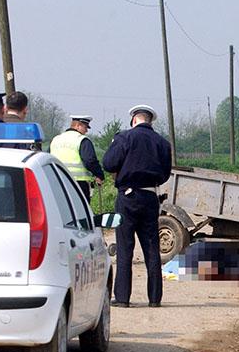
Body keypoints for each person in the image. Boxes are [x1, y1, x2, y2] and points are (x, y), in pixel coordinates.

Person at [103, 104, 172, 308]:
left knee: (125, 248)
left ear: (134, 119)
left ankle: (123, 298)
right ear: (150, 120)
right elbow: (166, 173)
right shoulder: (162, 142)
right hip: (150, 196)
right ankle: (154, 298)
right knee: (152, 248)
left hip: (127, 197)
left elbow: (109, 163)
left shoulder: (124, 137)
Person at [50, 115, 104, 203]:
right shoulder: (82, 140)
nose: (86, 130)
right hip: (78, 183)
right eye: (85, 127)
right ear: (78, 125)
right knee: (81, 211)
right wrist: (99, 175)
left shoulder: (56, 139)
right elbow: (90, 161)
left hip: (58, 182)